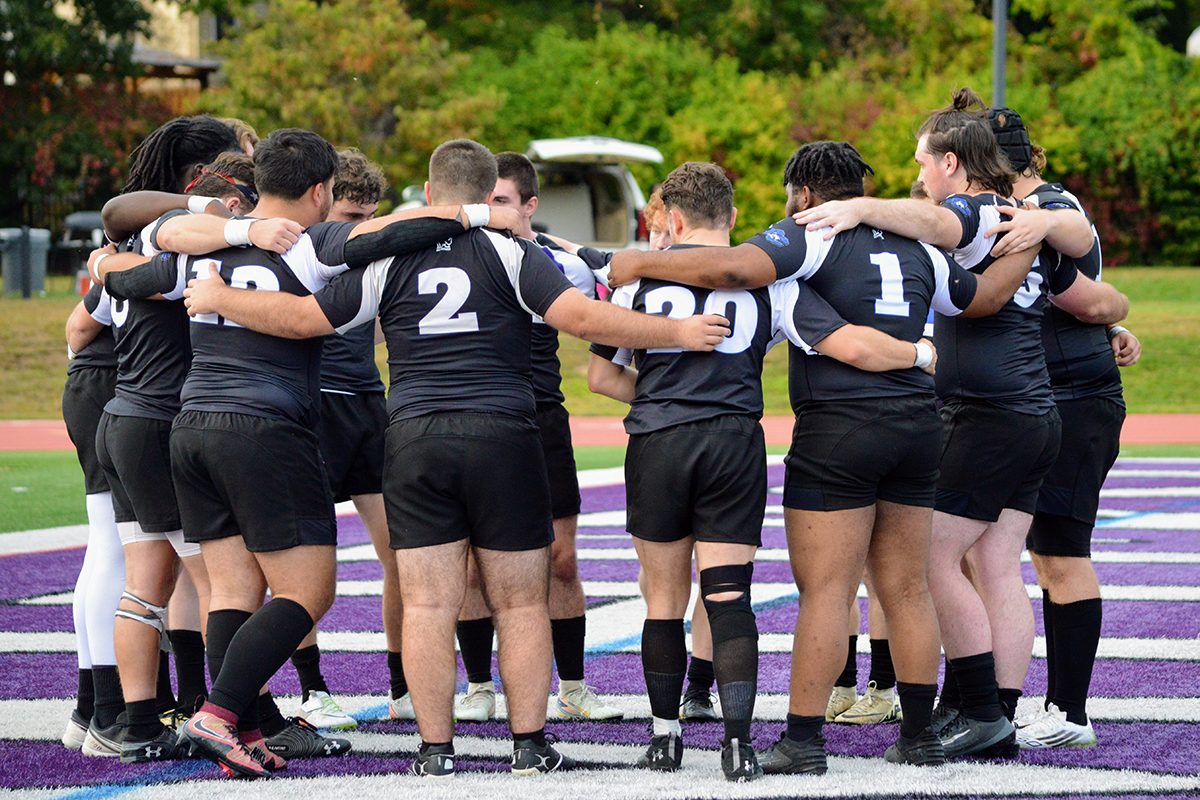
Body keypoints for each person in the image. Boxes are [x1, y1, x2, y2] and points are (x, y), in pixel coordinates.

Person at [179, 139, 732, 778]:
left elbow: (304, 319)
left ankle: (435, 752)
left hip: (414, 437)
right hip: (501, 432)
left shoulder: (392, 254)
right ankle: (529, 744)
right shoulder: (514, 250)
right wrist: (679, 332)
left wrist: (220, 299)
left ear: (432, 195)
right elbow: (583, 318)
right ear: (488, 189)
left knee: (428, 604)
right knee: (522, 602)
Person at [605, 141, 1041, 773]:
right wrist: (1031, 238)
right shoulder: (918, 243)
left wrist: (641, 262)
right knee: (907, 586)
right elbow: (982, 298)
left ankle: (804, 739)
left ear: (805, 196)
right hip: (919, 424)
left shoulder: (811, 233)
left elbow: (732, 272)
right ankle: (918, 735)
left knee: (827, 591)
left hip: (840, 428)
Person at [95, 129, 506, 778]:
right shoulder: (310, 241)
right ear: (321, 191)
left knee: (232, 590)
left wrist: (103, 263)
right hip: (265, 429)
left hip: (191, 426)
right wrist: (481, 213)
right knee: (307, 592)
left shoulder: (208, 235)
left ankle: (245, 731)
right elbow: (394, 232)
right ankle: (220, 711)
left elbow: (135, 258)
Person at [789, 90, 1129, 759]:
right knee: (996, 563)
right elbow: (1083, 256)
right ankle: (997, 714)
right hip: (1033, 411)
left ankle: (976, 703)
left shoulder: (975, 209)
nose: (918, 176)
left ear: (951, 162)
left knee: (932, 556)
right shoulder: (1028, 214)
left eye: (923, 162)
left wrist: (857, 206)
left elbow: (939, 225)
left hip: (991, 412)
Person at [63, 116, 244, 757]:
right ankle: (222, 714)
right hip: (150, 413)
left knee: (147, 575)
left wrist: (113, 268)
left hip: (130, 409)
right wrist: (235, 226)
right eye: (239, 169)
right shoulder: (174, 235)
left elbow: (91, 310)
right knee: (216, 579)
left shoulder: (135, 241)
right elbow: (86, 319)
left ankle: (123, 717)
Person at [986, 107, 1141, 750]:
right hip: (1050, 393)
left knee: (1059, 554)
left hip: (1072, 398)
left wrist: (1111, 315)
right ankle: (1027, 702)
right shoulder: (1042, 201)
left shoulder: (1043, 208)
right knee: (1019, 552)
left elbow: (1078, 272)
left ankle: (1070, 711)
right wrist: (1113, 321)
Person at [453, 152, 623, 724]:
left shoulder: (559, 263)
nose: (491, 210)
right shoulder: (460, 255)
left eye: (501, 200)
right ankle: (479, 686)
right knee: (474, 565)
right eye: (485, 200)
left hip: (542, 417)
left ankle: (572, 687)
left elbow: (618, 281)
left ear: (529, 205)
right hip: (476, 416)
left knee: (561, 561)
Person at [289, 148, 407, 730]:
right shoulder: (299, 247)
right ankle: (312, 691)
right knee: (305, 566)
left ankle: (403, 686)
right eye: (350, 217)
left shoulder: (366, 251)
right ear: (323, 204)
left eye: (369, 218)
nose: (360, 231)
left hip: (368, 404)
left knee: (402, 554)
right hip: (313, 409)